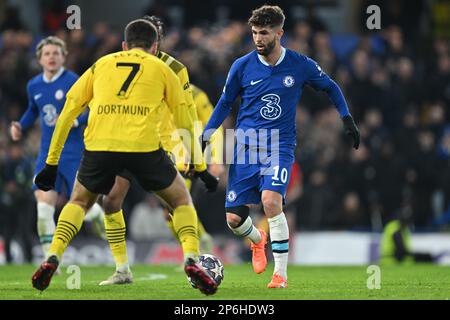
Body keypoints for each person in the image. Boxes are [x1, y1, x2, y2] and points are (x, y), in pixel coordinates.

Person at [31, 19, 218, 295]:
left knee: (80, 201)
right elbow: (186, 119)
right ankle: (188, 258)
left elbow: (68, 110)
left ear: (124, 45)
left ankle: (54, 255)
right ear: (155, 46)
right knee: (178, 201)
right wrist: (200, 166)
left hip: (101, 145)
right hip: (145, 146)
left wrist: (50, 162)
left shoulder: (101, 64)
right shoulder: (166, 68)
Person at [201, 5, 360, 288]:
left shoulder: (300, 65)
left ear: (279, 32)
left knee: (271, 202)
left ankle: (281, 275)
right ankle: (257, 240)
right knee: (234, 219)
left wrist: (347, 119)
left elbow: (332, 87)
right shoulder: (241, 66)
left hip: (279, 145)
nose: (258, 38)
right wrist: (207, 133)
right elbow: (225, 103)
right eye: (254, 33)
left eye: (264, 32)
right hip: (246, 147)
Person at [98, 15, 223, 286]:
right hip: (127, 141)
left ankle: (194, 254)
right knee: (111, 200)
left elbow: (186, 113)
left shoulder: (174, 69)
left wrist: (195, 154)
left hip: (164, 148)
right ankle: (122, 269)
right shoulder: (117, 63)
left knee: (175, 205)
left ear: (158, 40)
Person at [9, 36, 105, 259]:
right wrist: (20, 126)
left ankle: (102, 220)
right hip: (47, 153)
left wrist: (77, 121)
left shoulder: (75, 81)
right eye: (47, 54)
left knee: (85, 208)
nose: (51, 57)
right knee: (43, 208)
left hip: (73, 153)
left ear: (64, 57)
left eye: (56, 53)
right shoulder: (33, 85)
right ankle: (50, 260)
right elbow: (34, 109)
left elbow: (95, 108)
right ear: (40, 59)